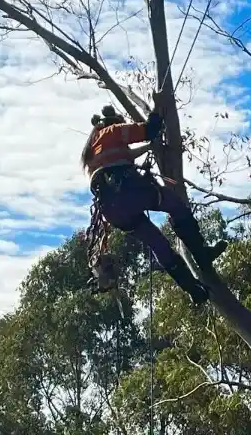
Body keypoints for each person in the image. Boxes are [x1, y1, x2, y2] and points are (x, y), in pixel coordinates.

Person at [80, 105, 228, 305]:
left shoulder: (92, 151)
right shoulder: (113, 131)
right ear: (114, 122)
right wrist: (158, 111)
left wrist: (149, 148)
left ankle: (193, 289)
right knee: (176, 207)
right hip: (129, 191)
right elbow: (149, 129)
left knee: (158, 244)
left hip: (112, 210)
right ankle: (202, 255)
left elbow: (125, 156)